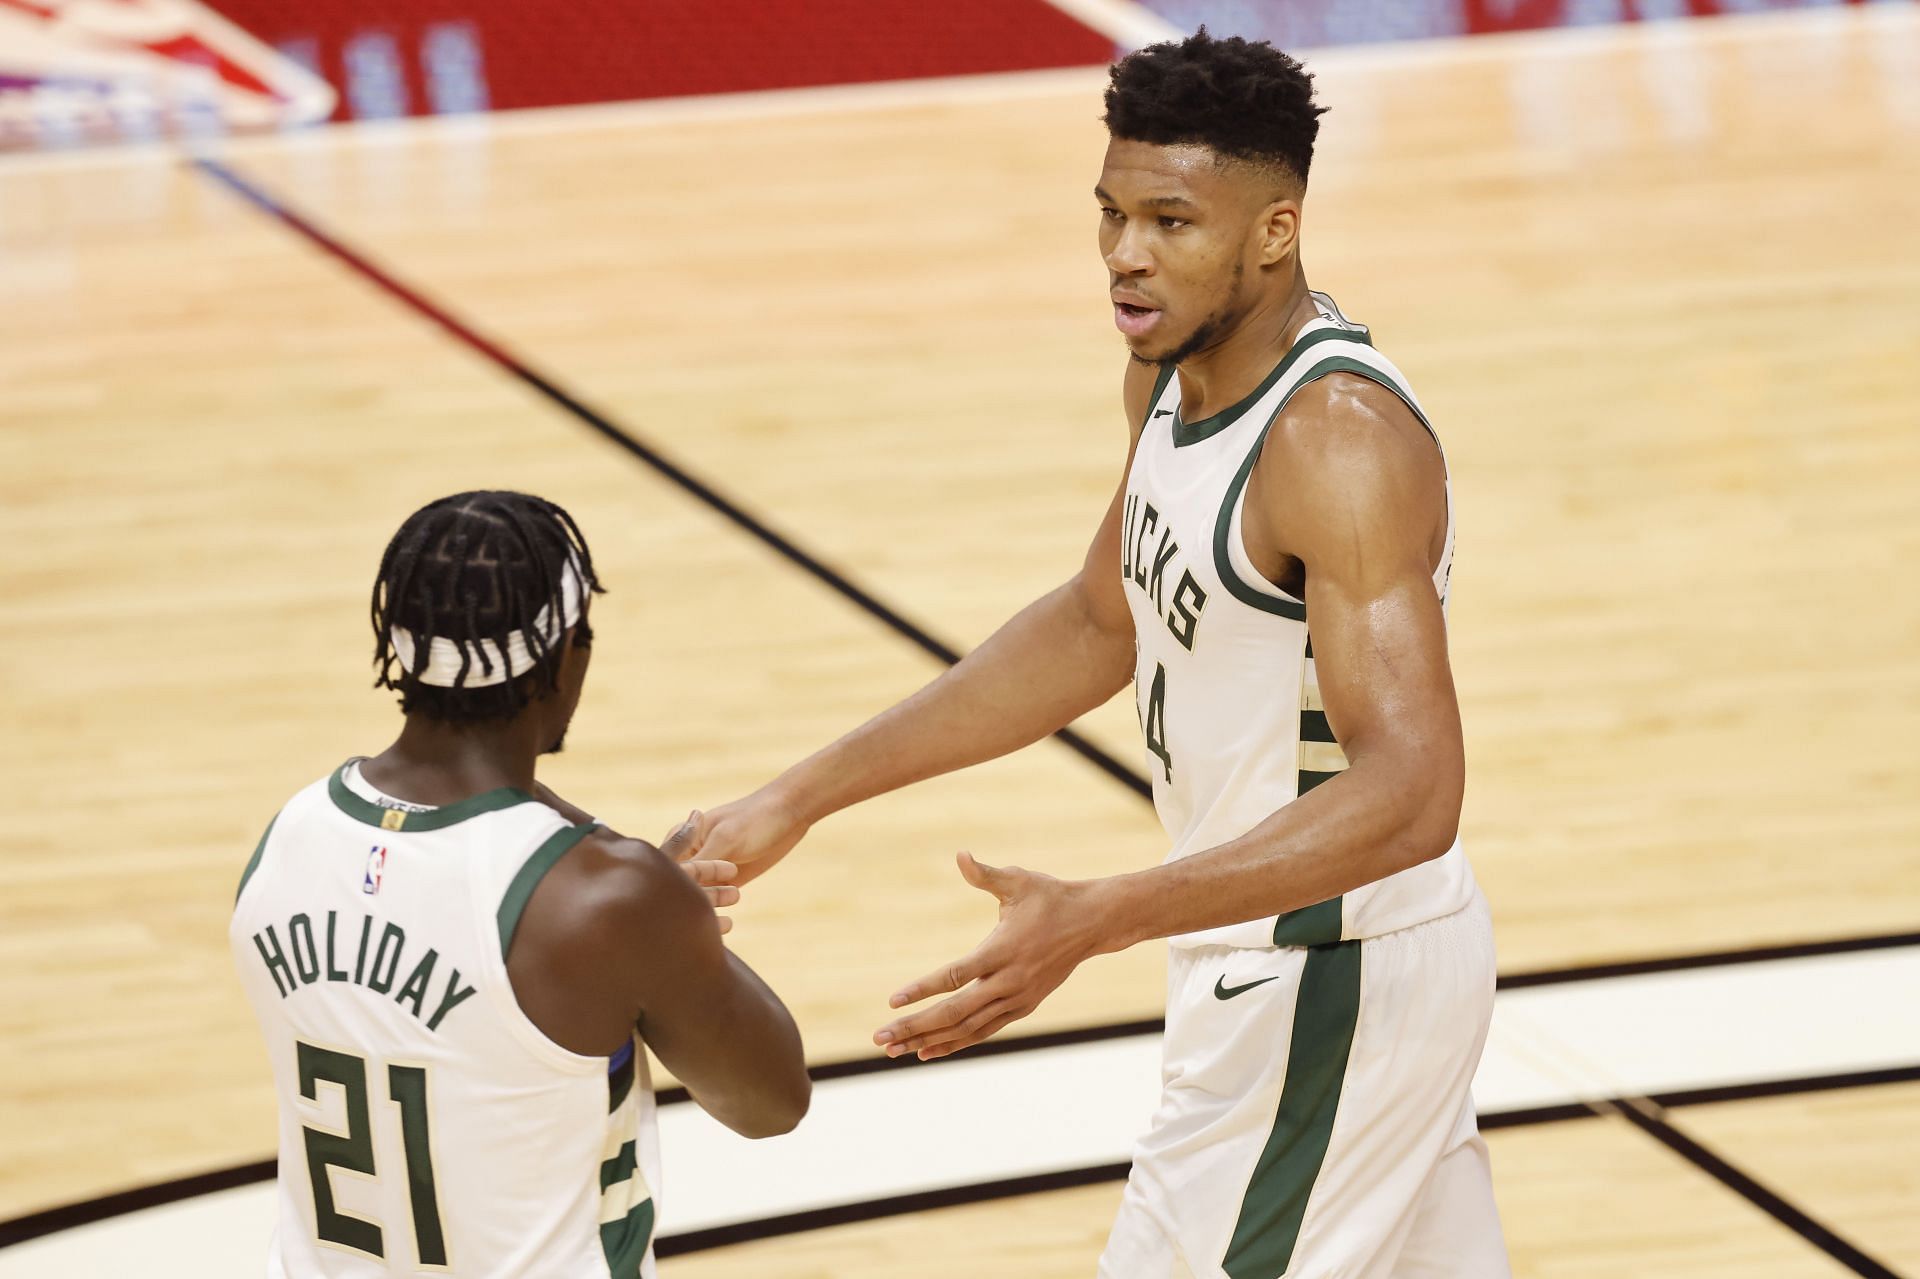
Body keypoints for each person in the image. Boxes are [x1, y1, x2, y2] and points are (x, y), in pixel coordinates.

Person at [696, 30, 1509, 1279]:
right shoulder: (1171, 376)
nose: (1127, 256)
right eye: (1113, 214)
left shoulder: (1337, 444)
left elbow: (1413, 792)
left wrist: (1103, 914)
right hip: (1289, 966)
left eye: (1173, 221)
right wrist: (795, 797)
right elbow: (1097, 622)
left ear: (1274, 232)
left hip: (1329, 979)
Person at [231, 490, 808, 1279]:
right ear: (568, 651)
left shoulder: (288, 836)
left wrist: (618, 886)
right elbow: (771, 1101)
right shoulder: (607, 898)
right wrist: (658, 911)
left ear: (398, 643)